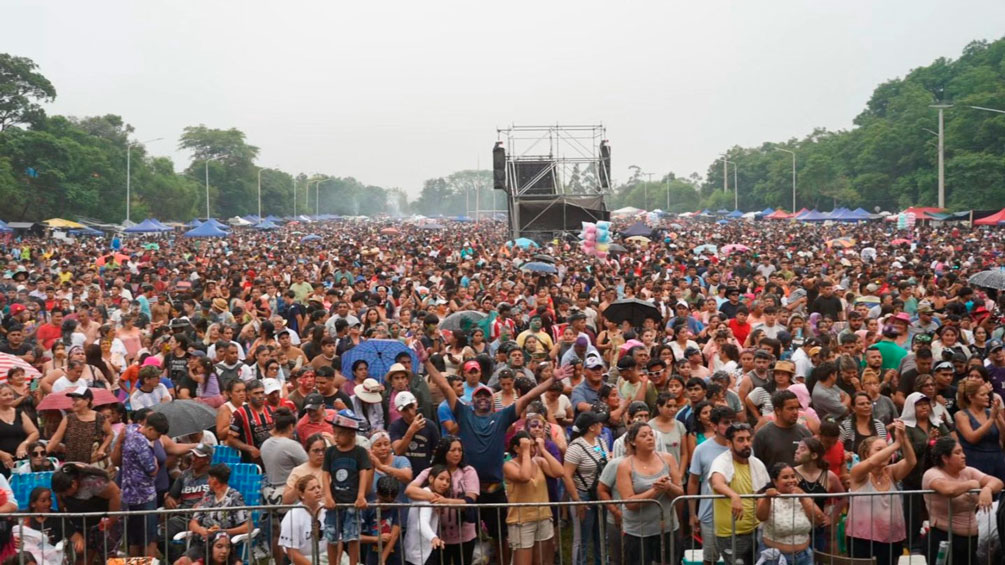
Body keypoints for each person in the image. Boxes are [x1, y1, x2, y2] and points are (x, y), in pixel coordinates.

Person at [420, 341, 560, 564]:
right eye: (479, 396)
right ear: (472, 400)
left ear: (492, 401)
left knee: (501, 536)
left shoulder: (502, 417)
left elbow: (526, 397)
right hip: (468, 489)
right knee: (463, 537)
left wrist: (552, 380)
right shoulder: (464, 413)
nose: (483, 398)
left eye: (487, 396)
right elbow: (445, 387)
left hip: (495, 489)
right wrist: (426, 362)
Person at [922, 436, 1005, 565]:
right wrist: (972, 484)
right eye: (957, 453)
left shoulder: (968, 471)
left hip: (970, 540)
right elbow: (949, 490)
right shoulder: (932, 474)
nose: (963, 456)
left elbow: (997, 482)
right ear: (945, 458)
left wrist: (987, 489)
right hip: (944, 537)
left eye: (962, 451)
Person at [845, 422, 916, 565]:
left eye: (887, 449)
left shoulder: (891, 472)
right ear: (866, 454)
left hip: (891, 537)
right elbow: (872, 463)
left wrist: (903, 438)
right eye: (879, 449)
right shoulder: (858, 472)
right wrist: (895, 444)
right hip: (862, 539)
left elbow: (911, 461)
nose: (887, 453)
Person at [616, 421, 684, 565]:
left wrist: (669, 487)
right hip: (638, 533)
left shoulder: (667, 459)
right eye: (644, 435)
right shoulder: (625, 465)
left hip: (667, 529)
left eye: (651, 435)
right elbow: (629, 503)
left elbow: (680, 494)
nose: (649, 438)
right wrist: (655, 490)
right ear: (633, 442)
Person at [405, 436, 480, 565]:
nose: (457, 453)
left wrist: (445, 501)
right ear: (444, 451)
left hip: (464, 534)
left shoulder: (468, 471)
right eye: (453, 450)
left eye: (460, 450)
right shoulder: (431, 471)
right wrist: (432, 497)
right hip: (439, 535)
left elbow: (470, 501)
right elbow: (410, 490)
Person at [709, 423, 768, 565]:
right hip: (730, 534)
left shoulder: (757, 464)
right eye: (740, 440)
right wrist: (734, 496)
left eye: (748, 439)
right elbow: (717, 483)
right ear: (729, 443)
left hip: (755, 530)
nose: (746, 443)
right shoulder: (721, 462)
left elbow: (761, 492)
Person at [503, 431, 565, 565]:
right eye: (527, 446)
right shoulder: (508, 465)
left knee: (540, 561)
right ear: (516, 449)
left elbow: (559, 472)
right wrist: (525, 452)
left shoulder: (539, 462)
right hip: (522, 521)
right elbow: (525, 477)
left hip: (543, 517)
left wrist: (543, 449)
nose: (531, 450)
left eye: (533, 446)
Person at [755, 463, 830, 565]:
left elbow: (819, 519)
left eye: (793, 476)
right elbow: (761, 517)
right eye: (785, 477)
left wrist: (803, 497)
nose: (791, 480)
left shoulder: (802, 496)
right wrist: (767, 499)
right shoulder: (767, 497)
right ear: (775, 481)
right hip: (775, 558)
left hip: (804, 557)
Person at [322, 413, 372, 565]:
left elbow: (363, 473)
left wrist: (361, 496)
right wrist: (328, 496)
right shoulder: (330, 452)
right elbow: (325, 474)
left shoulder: (360, 452)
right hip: (335, 501)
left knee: (353, 537)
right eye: (334, 432)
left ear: (352, 434)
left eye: (340, 433)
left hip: (352, 501)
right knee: (331, 537)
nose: (336, 437)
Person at [175, 463, 250, 565]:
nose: (207, 481)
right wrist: (201, 530)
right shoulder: (208, 496)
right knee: (181, 562)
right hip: (203, 545)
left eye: (209, 478)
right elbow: (193, 523)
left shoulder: (234, 497)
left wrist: (224, 531)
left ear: (215, 480)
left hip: (223, 546)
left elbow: (247, 527)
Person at [687, 406, 734, 565]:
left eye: (732, 422)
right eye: (726, 423)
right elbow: (693, 481)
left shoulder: (743, 448)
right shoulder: (701, 449)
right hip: (709, 515)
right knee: (710, 559)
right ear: (714, 426)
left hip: (737, 516)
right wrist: (692, 514)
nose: (730, 426)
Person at [563, 411, 611, 565]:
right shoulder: (575, 447)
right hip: (583, 496)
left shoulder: (601, 442)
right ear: (591, 427)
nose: (602, 425)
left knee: (601, 537)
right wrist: (577, 501)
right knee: (582, 539)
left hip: (600, 495)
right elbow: (566, 475)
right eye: (599, 422)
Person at [120, 411, 170, 557]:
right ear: (150, 429)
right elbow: (152, 469)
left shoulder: (130, 430)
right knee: (150, 538)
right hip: (144, 495)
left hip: (129, 494)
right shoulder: (142, 443)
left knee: (134, 538)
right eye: (158, 435)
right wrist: (155, 460)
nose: (158, 438)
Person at [51, 464, 122, 564]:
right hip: (82, 522)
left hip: (105, 518)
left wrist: (112, 520)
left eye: (65, 492)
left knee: (109, 556)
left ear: (73, 484)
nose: (63, 495)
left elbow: (115, 494)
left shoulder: (93, 482)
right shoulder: (59, 480)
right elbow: (61, 504)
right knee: (83, 555)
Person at [792, 437, 845, 553]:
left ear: (814, 455)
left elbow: (844, 497)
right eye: (797, 448)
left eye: (802, 449)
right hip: (795, 528)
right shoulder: (792, 474)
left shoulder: (828, 476)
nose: (797, 451)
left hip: (817, 528)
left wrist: (832, 517)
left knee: (817, 557)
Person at [164, 444, 214, 562]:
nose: (193, 459)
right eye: (193, 455)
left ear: (207, 460)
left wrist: (203, 504)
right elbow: (172, 496)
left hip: (203, 519)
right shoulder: (184, 475)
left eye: (198, 456)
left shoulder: (213, 477)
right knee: (158, 535)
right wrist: (168, 499)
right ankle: (178, 559)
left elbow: (219, 496)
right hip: (182, 517)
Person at [953, 379, 1005, 483]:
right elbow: (972, 438)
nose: (987, 397)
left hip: (997, 459)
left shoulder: (991, 412)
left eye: (987, 394)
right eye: (982, 395)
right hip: (975, 460)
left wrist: (999, 417)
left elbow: (1003, 438)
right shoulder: (961, 415)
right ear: (971, 397)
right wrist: (991, 419)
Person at [46, 388, 114, 464]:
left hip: (94, 462)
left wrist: (102, 449)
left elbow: (110, 434)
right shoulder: (69, 419)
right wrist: (43, 454)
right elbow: (56, 439)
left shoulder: (99, 417)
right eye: (73, 400)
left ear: (87, 400)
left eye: (76, 400)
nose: (73, 403)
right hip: (73, 462)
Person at [752, 389, 811, 469]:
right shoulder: (762, 435)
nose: (795, 412)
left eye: (797, 408)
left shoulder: (805, 433)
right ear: (778, 411)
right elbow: (757, 465)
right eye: (790, 408)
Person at [261, 408, 308, 505]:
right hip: (289, 494)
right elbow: (309, 467)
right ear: (291, 426)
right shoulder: (292, 445)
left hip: (270, 493)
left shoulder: (264, 444)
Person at [280, 474, 328, 565]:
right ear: (302, 494)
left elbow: (337, 542)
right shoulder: (292, 516)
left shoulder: (327, 511)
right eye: (312, 489)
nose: (317, 491)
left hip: (328, 558)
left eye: (318, 487)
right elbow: (292, 552)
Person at [389, 390, 439, 476]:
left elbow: (437, 453)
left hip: (425, 474)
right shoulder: (395, 426)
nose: (410, 412)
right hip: (405, 474)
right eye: (405, 409)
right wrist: (411, 431)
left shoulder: (430, 426)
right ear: (398, 411)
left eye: (411, 406)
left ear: (416, 403)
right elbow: (398, 451)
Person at [227, 379, 275, 463]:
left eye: (262, 392)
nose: (260, 396)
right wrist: (250, 448)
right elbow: (231, 440)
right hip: (251, 461)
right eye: (256, 393)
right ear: (248, 396)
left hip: (272, 458)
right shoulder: (239, 414)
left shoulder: (272, 411)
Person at [0, 384, 39, 477]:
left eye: (10, 394)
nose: (9, 397)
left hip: (20, 461)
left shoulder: (19, 413)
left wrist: (24, 444)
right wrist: (2, 454)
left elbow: (34, 433)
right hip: (2, 462)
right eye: (5, 395)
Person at [283, 433, 327, 505]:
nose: (321, 454)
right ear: (307, 451)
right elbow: (286, 500)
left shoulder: (330, 468)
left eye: (323, 450)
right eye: (316, 451)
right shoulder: (298, 471)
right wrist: (298, 486)